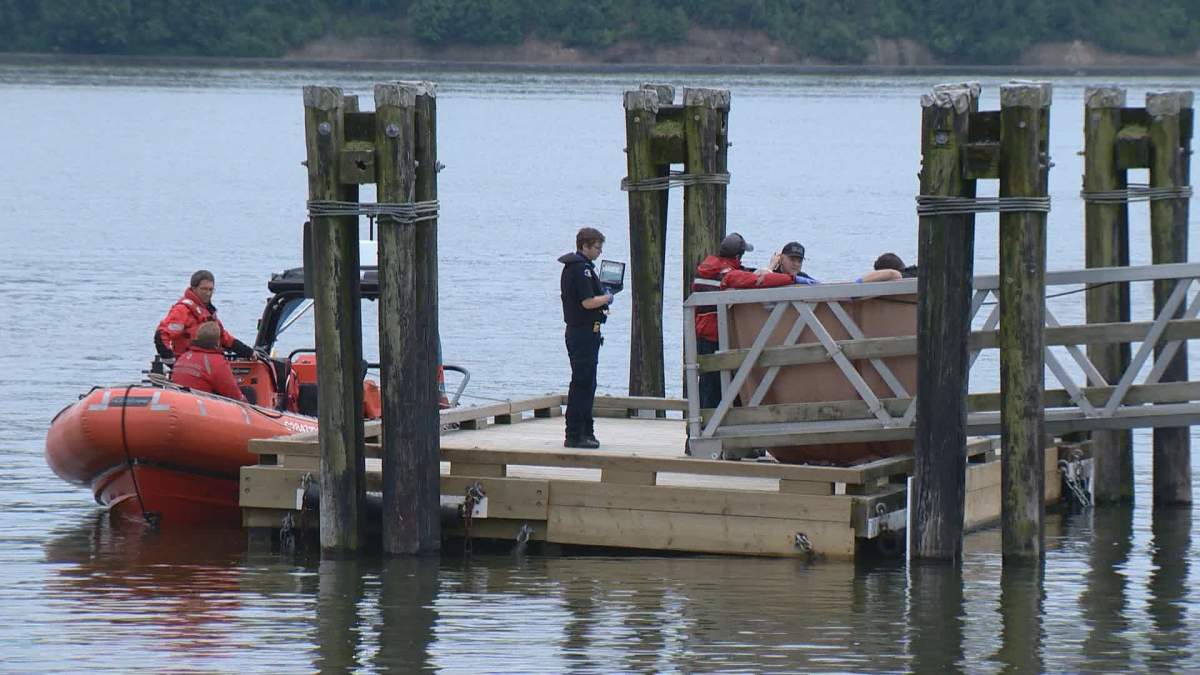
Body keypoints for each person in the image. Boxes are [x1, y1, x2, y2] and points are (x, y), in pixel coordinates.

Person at [692, 233, 794, 409]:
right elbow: (758, 280)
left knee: (710, 383)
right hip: (716, 335)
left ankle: (704, 424)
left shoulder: (708, 268)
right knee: (718, 384)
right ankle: (709, 425)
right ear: (737, 256)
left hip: (702, 333)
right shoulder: (727, 275)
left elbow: (743, 273)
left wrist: (767, 268)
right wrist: (791, 279)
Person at [559, 227, 614, 449]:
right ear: (584, 246)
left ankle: (586, 430)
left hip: (587, 332)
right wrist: (607, 298)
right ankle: (574, 433)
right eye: (597, 248)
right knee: (582, 383)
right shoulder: (580, 270)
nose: (600, 252)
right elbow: (587, 302)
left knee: (588, 383)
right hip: (582, 332)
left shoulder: (584, 269)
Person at [155, 269, 254, 364]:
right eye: (204, 289)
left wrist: (249, 352)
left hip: (206, 365)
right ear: (194, 288)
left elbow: (224, 338)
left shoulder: (208, 312)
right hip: (188, 365)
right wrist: (172, 364)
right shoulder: (182, 310)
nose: (208, 293)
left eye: (211, 289)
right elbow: (162, 335)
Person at [169, 322, 248, 401]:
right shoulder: (217, 362)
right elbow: (233, 394)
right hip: (201, 404)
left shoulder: (183, 356)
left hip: (180, 401)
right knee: (249, 392)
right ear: (218, 341)